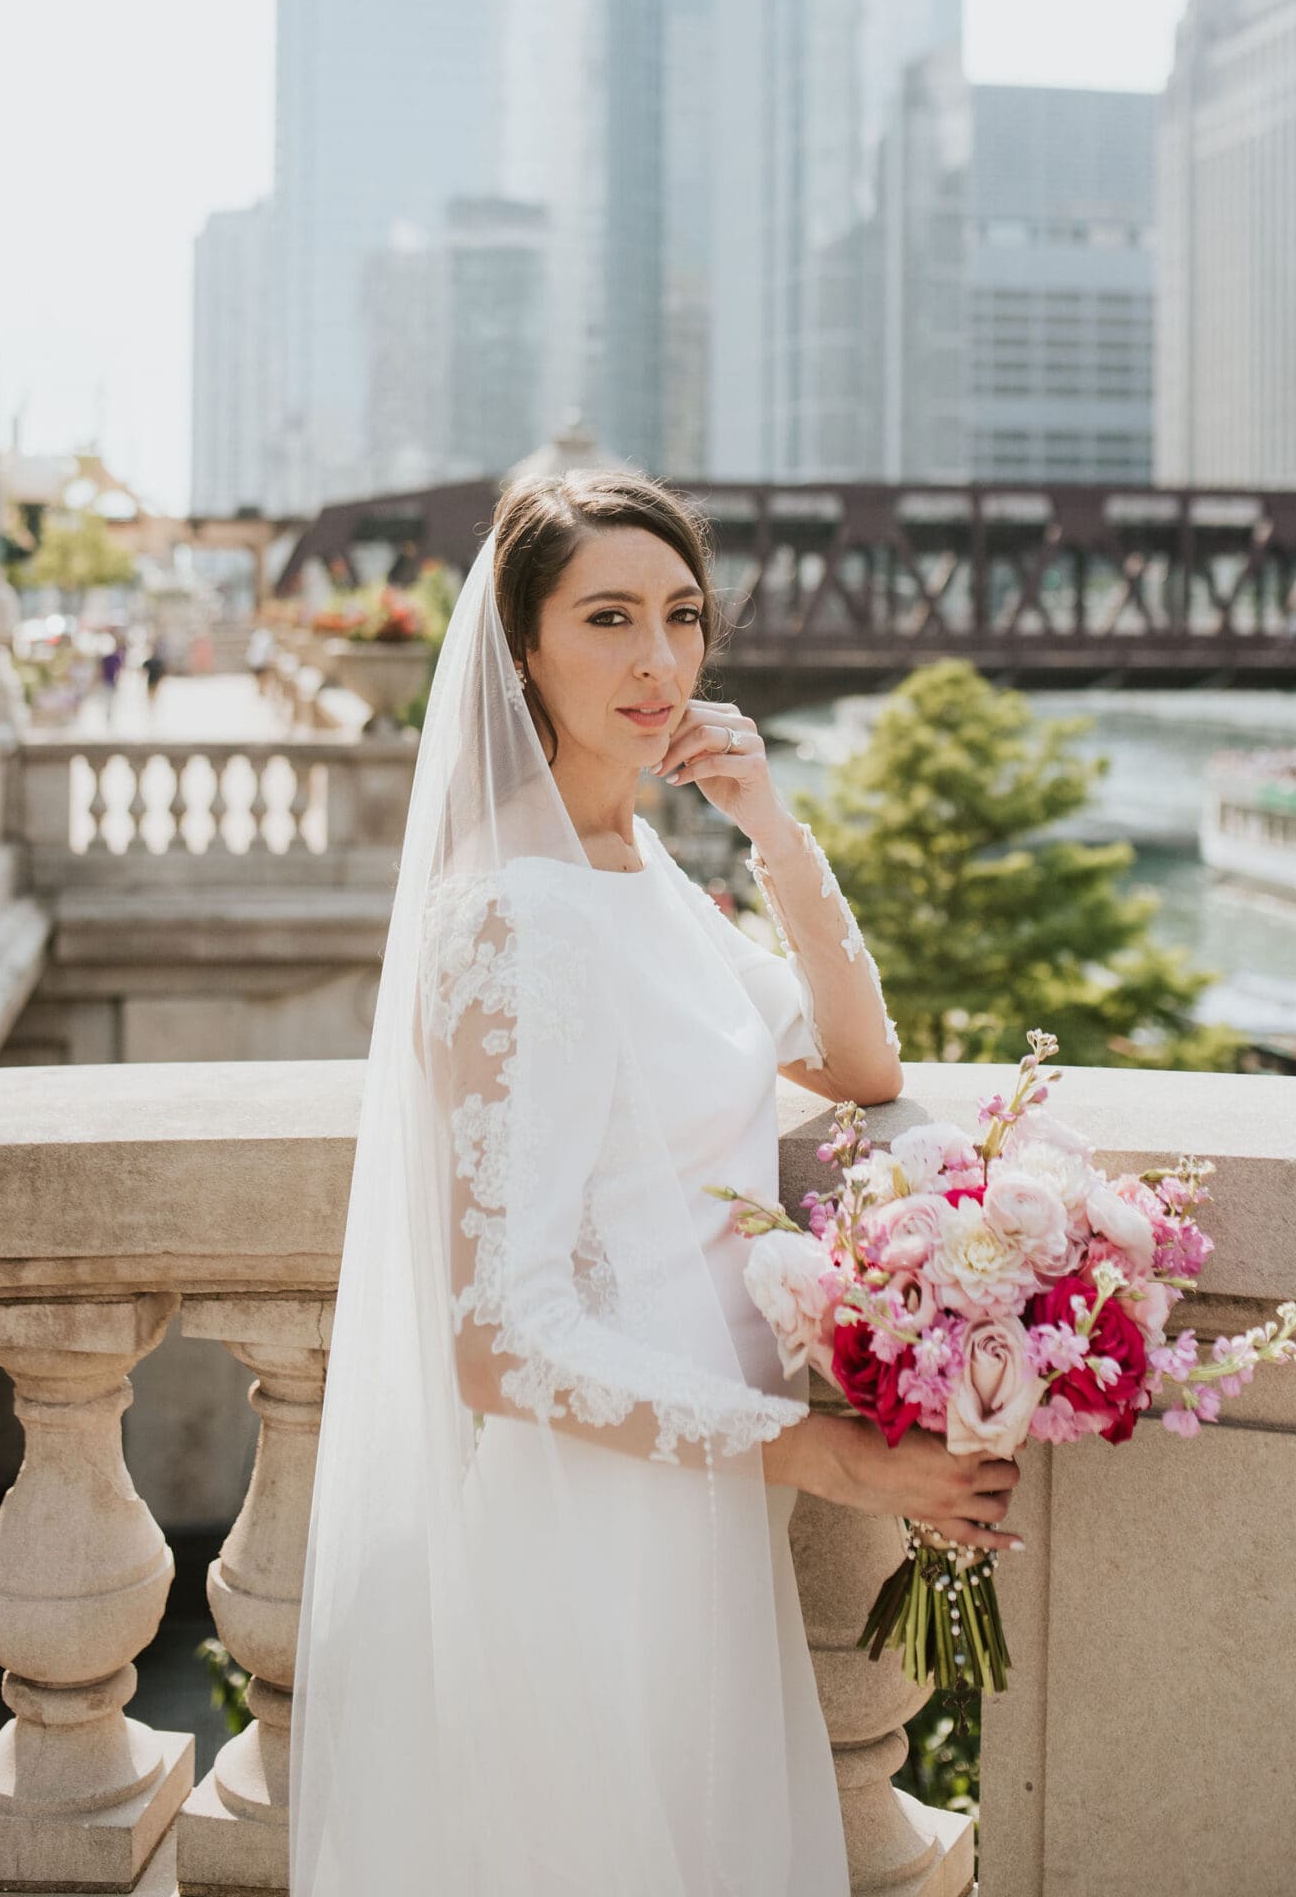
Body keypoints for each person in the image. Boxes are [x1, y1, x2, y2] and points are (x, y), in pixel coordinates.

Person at [289, 470, 1019, 1894]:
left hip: (701, 1492)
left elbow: (859, 1065)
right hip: (595, 1522)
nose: (659, 661)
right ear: (522, 655)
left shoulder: (638, 868)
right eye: (608, 619)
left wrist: (771, 827)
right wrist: (826, 1454)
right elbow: (500, 1342)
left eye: (682, 617)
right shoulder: (515, 915)